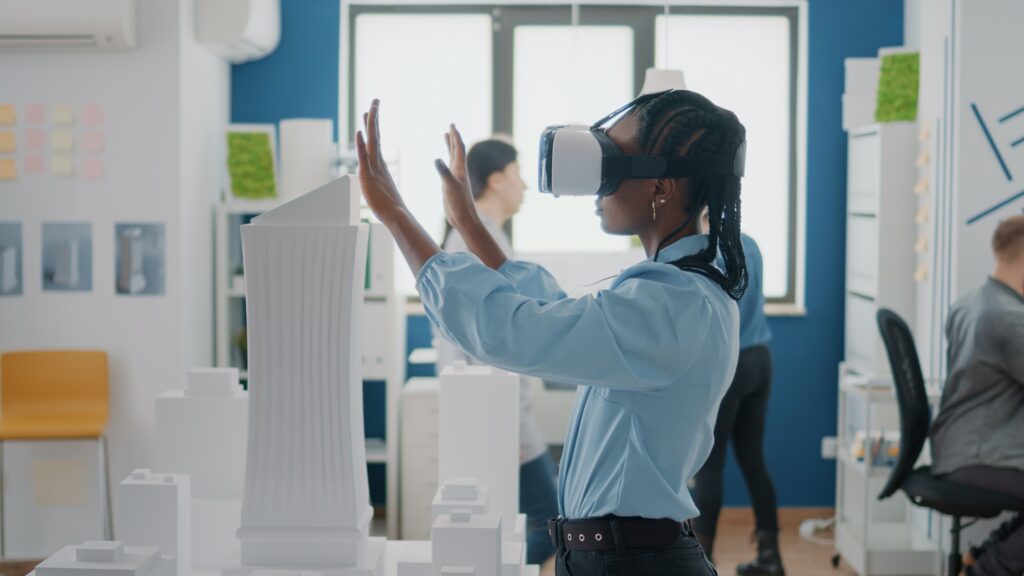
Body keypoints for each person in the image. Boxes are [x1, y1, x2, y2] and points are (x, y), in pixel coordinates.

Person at [356, 88, 748, 575]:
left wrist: (395, 216)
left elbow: (514, 330)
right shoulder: (672, 295)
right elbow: (553, 312)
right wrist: (469, 224)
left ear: (660, 188)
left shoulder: (674, 303)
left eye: (613, 166)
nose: (598, 187)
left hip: (633, 563)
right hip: (616, 557)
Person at [434, 138, 560, 572]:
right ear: (496, 179)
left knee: (537, 520)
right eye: (519, 173)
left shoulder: (486, 234)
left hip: (498, 407)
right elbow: (476, 340)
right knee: (551, 523)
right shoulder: (476, 238)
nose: (525, 185)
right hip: (493, 409)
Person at [930, 215, 1024, 576]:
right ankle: (985, 569)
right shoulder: (1008, 317)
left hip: (955, 447)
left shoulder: (969, 304)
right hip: (980, 455)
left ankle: (982, 554)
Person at [691, 212, 784, 576]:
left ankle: (702, 561)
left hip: (730, 364)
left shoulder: (708, 250)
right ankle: (771, 557)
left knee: (710, 464)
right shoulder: (751, 243)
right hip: (761, 360)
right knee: (753, 460)